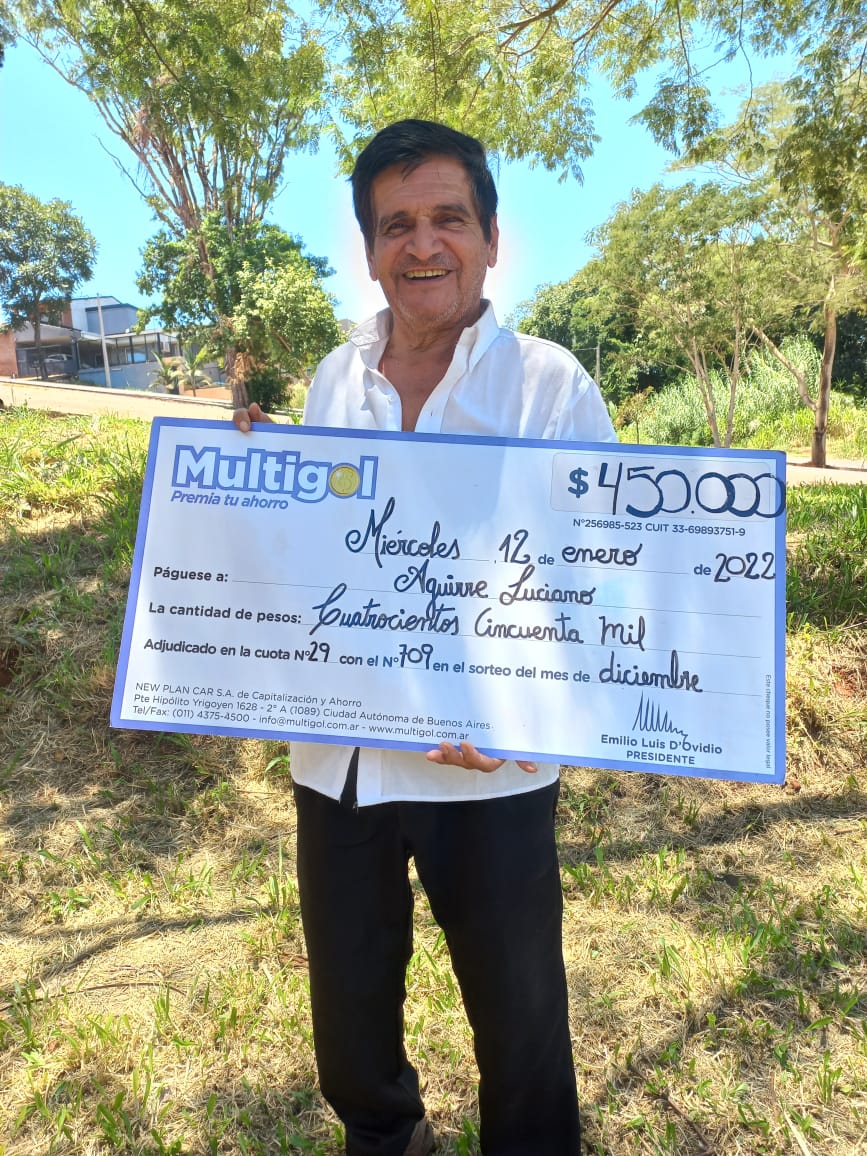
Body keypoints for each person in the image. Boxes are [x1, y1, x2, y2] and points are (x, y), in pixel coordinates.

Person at [235, 119, 616, 1156]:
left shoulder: (547, 384)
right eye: (396, 224)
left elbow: (600, 571)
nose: (423, 243)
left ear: (491, 238)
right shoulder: (335, 377)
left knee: (520, 1020)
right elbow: (317, 544)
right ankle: (386, 1139)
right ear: (370, 251)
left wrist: (532, 709)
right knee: (349, 1017)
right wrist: (237, 486)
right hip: (341, 761)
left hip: (487, 768)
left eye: (448, 217)